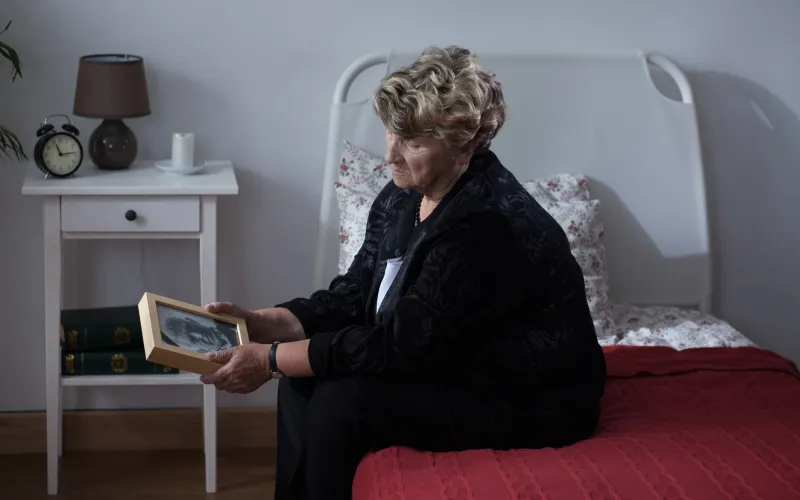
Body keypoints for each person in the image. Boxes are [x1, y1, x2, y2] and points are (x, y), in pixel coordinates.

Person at [199, 46, 607, 500]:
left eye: (412, 141)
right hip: (450, 356)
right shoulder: (403, 195)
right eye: (392, 131)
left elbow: (399, 347)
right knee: (302, 380)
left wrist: (270, 359)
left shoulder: (486, 224)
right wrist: (261, 322)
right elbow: (355, 294)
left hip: (528, 395)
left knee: (342, 402)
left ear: (466, 144)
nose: (390, 153)